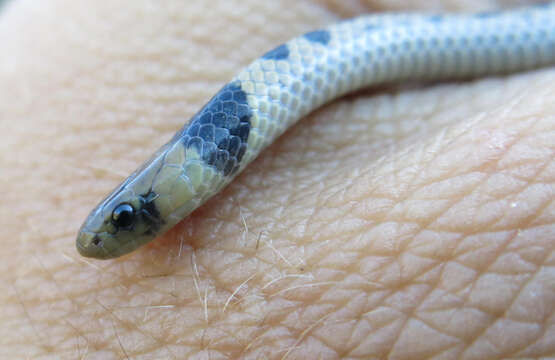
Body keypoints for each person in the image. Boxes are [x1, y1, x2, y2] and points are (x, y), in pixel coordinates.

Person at [1, 0, 553, 358]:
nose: (118, 231)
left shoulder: (255, 108)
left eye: (128, 216)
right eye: (126, 216)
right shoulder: (241, 121)